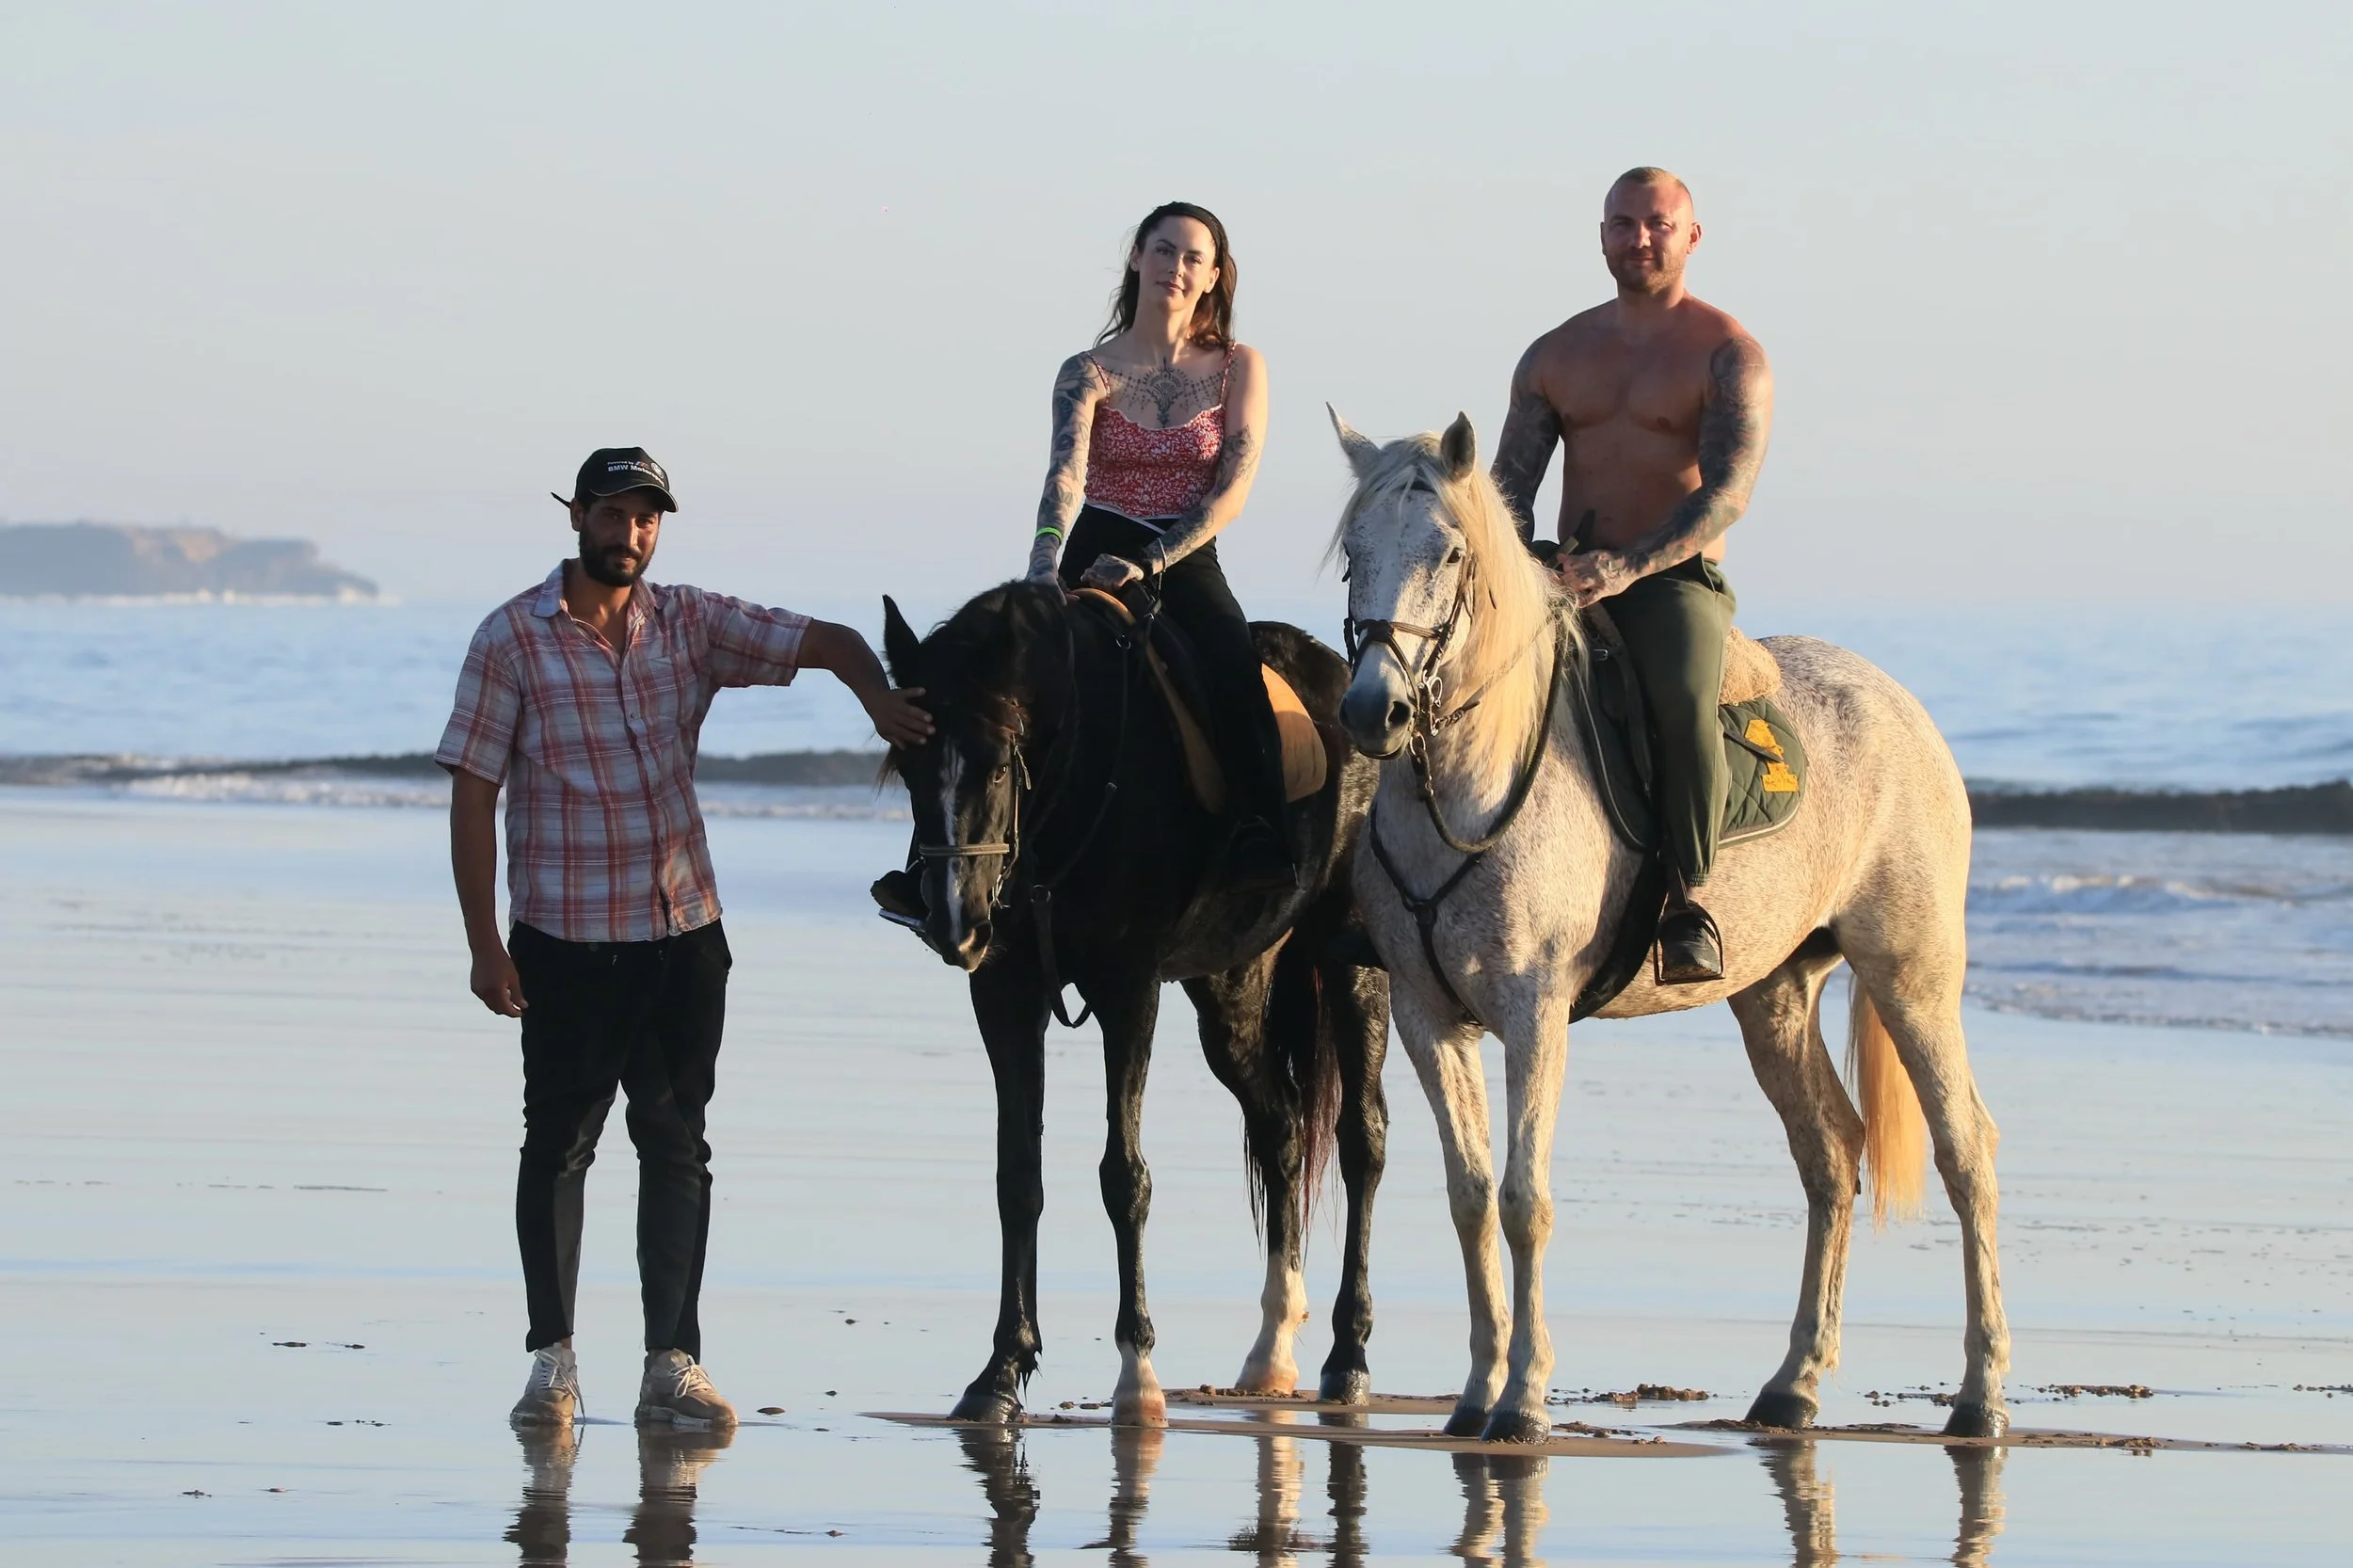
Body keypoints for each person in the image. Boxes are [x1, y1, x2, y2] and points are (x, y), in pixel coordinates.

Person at [438, 447, 932, 1430]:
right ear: (576, 517)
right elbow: (472, 790)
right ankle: (553, 1363)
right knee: (560, 1145)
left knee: (676, 1144)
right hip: (565, 939)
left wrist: (877, 698)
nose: (630, 533)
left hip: (681, 934)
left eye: (646, 517)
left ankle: (673, 1363)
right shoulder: (511, 640)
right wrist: (483, 942)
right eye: (613, 513)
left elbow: (827, 639)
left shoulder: (691, 624)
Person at [1490, 168, 1775, 984]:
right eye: (1622, 224)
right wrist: (1520, 564)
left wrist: (1626, 567)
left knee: (1683, 707)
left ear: (1691, 236)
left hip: (1671, 579)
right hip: (1564, 568)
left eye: (1657, 224)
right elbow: (1511, 489)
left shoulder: (1728, 355)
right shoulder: (1555, 354)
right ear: (1603, 236)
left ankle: (1689, 900)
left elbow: (1726, 500)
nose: (1638, 238)